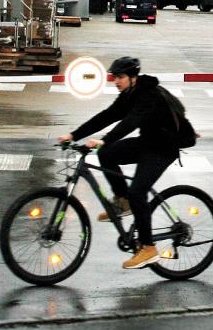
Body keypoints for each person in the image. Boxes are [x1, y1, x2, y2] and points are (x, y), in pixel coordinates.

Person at [58, 56, 184, 269]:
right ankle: (123, 201)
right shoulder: (128, 95)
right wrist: (73, 135)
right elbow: (106, 116)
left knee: (138, 191)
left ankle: (148, 247)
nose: (116, 81)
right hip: (148, 142)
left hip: (163, 147)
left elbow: (130, 122)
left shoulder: (148, 95)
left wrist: (104, 139)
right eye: (114, 77)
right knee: (106, 154)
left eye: (120, 77)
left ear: (133, 77)